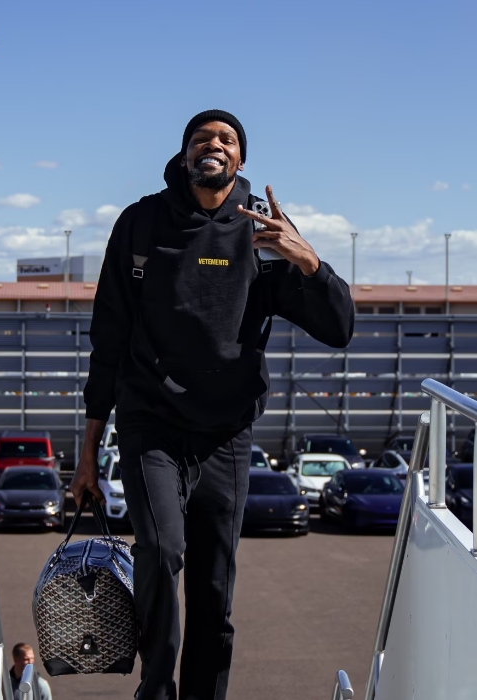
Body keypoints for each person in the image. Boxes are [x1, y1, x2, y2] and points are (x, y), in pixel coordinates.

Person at [70, 109, 354, 700]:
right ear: (185, 154)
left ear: (240, 158)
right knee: (161, 550)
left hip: (226, 434)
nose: (214, 144)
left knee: (214, 589)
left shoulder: (263, 232)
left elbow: (339, 329)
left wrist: (308, 261)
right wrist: (89, 451)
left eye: (227, 139)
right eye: (202, 137)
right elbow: (108, 340)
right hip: (151, 425)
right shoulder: (141, 222)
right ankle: (156, 688)